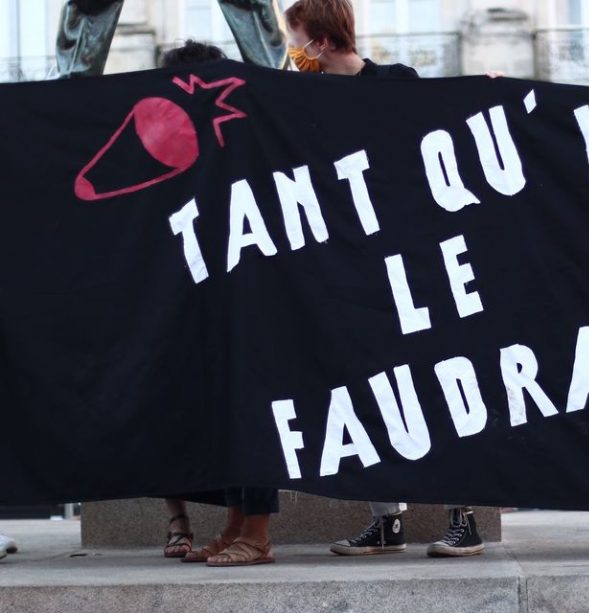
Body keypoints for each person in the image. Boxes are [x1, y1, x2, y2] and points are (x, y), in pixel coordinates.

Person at [283, 0, 484, 558]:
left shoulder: (397, 82)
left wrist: (487, 91)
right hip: (351, 267)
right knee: (368, 386)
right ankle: (386, 518)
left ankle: (462, 516)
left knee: (438, 382)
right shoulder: (301, 95)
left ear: (320, 42)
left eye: (296, 38)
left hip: (412, 262)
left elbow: (441, 124)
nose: (291, 49)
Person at [158, 40, 278, 567]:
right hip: (213, 293)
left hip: (255, 292)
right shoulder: (186, 138)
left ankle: (258, 532)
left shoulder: (241, 128)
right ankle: (235, 526)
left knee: (253, 410)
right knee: (229, 413)